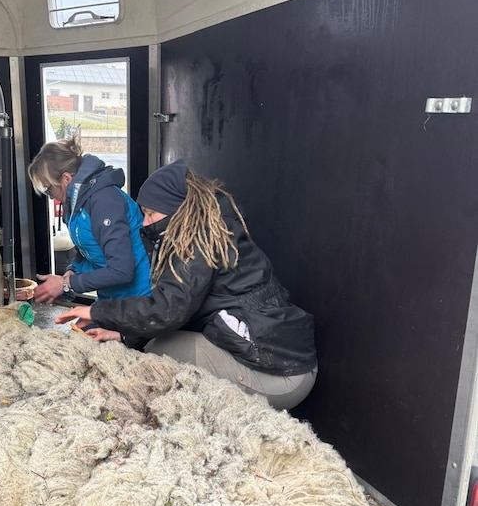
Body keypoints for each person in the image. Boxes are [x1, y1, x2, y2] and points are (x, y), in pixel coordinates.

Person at [56, 159, 318, 410]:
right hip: (271, 359)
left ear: (176, 210)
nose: (145, 223)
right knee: (159, 346)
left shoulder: (201, 245)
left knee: (159, 354)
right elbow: (179, 308)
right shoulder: (203, 233)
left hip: (282, 376)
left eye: (150, 214)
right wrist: (124, 336)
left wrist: (97, 312)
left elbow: (166, 311)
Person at [28, 137, 151, 304]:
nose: (50, 197)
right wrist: (72, 272)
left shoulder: (104, 201)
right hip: (110, 297)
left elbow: (122, 270)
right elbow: (87, 249)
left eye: (49, 189)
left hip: (139, 300)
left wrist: (66, 284)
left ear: (66, 178)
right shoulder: (75, 204)